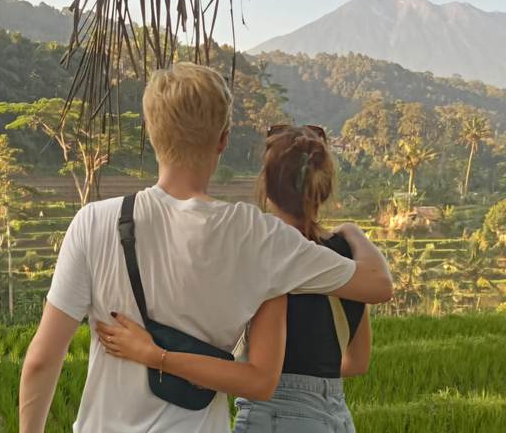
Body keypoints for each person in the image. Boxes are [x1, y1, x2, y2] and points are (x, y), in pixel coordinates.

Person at [19, 63, 392, 433]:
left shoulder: (93, 222)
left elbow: (41, 360)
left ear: (150, 132)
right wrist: (352, 232)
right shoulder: (257, 235)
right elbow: (376, 286)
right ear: (223, 140)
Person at [97, 125, 372, 433]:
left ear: (266, 186)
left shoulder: (263, 251)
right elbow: (357, 362)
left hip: (274, 418)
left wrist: (157, 356)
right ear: (325, 187)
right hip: (336, 417)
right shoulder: (347, 256)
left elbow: (258, 379)